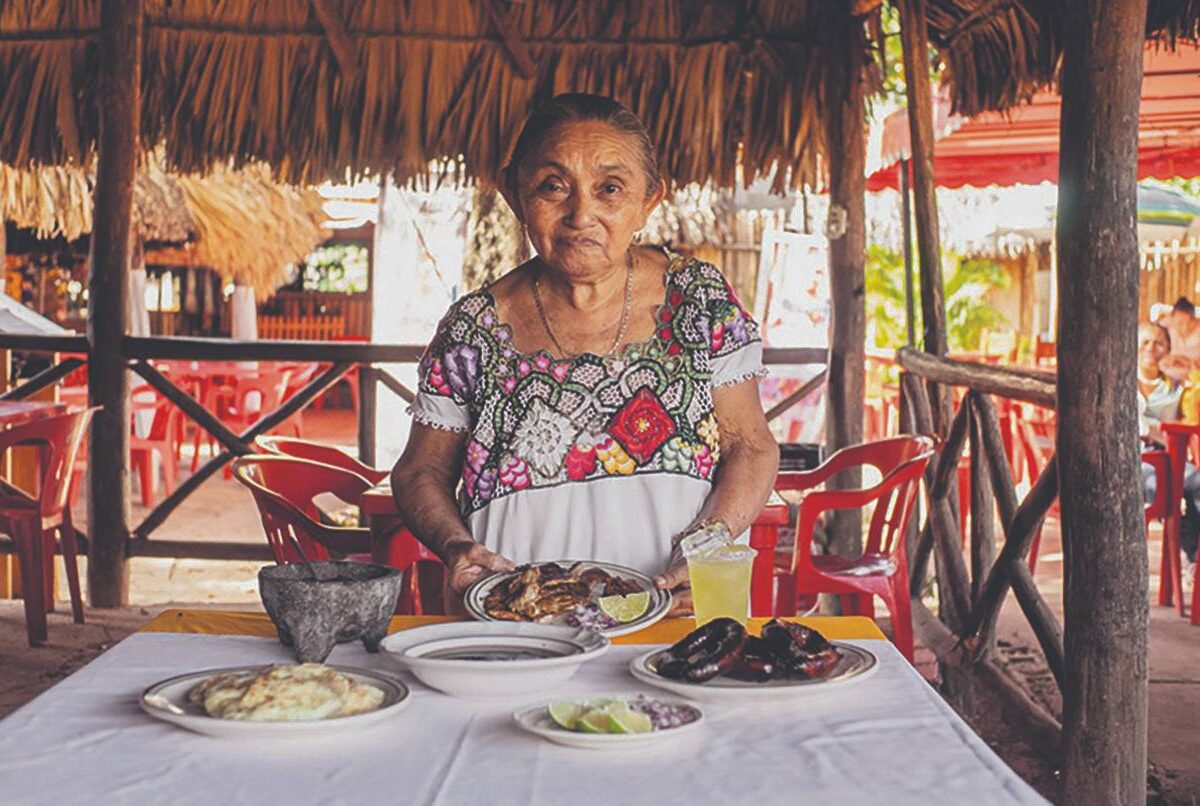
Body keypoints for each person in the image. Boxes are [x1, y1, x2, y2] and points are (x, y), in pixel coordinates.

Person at [390, 94, 780, 612]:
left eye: (610, 189)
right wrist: (457, 546)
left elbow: (750, 447)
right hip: (513, 625)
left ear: (648, 201)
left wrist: (708, 549)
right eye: (552, 186)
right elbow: (420, 472)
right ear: (513, 194)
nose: (581, 214)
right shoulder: (473, 329)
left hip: (672, 617)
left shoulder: (699, 300)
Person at [1138, 322, 1198, 584]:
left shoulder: (1177, 387)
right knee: (1165, 493)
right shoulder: (1121, 382)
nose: (1152, 348)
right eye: (1145, 342)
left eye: (1159, 342)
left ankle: (1194, 559)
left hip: (1173, 458)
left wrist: (1191, 377)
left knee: (1198, 483)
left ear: (1168, 349)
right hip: (1138, 461)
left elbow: (1190, 419)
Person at [1159, 297, 1200, 382]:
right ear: (1172, 318)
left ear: (1194, 318)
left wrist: (1183, 360)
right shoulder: (1166, 325)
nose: (1185, 327)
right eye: (1180, 323)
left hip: (1195, 375)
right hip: (1168, 374)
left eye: (1189, 322)